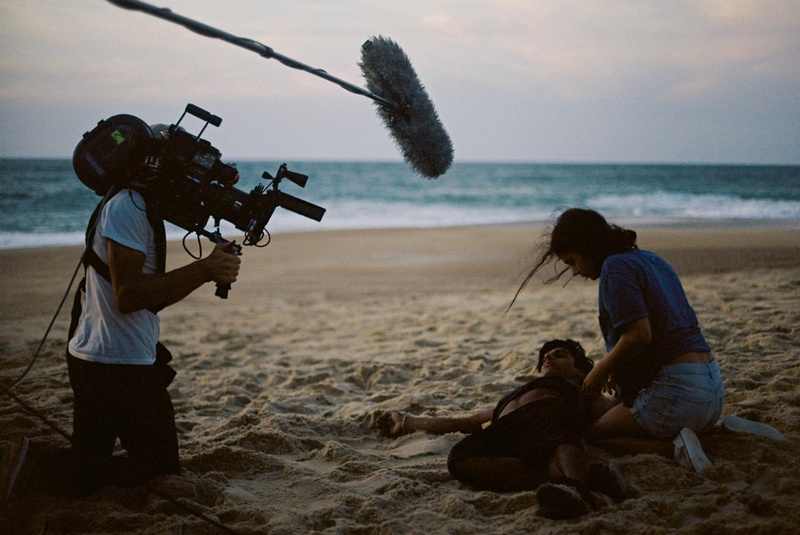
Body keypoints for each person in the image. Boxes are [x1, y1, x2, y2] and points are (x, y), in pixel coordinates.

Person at [6, 162, 242, 500]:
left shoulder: (132, 204)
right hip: (115, 362)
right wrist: (205, 268)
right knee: (159, 469)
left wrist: (206, 273)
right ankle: (30, 465)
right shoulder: (129, 207)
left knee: (85, 477)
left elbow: (152, 297)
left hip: (100, 355)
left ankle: (28, 465)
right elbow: (128, 295)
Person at [510, 208, 724, 472]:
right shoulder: (650, 259)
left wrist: (602, 368)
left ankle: (675, 450)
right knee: (619, 408)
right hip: (713, 389)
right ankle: (709, 436)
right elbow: (665, 334)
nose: (574, 271)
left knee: (596, 436)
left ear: (586, 247)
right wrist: (619, 366)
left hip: (682, 394)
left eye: (572, 261)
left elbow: (639, 335)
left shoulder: (614, 268)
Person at [372, 339, 632, 519]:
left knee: (556, 441)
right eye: (545, 356)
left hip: (548, 420)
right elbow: (469, 422)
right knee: (460, 459)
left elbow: (618, 409)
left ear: (580, 371)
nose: (548, 358)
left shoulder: (582, 390)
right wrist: (406, 421)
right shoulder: (518, 393)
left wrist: (613, 376)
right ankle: (573, 474)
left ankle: (576, 490)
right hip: (507, 430)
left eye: (559, 354)